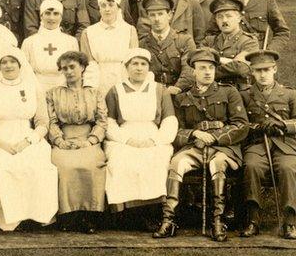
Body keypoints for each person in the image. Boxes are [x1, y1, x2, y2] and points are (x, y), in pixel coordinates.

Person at [154, 47, 249, 241]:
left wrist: (215, 138)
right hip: (195, 147)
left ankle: (218, 220)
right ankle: (169, 220)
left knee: (218, 164)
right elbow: (175, 129)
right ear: (194, 71)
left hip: (223, 148)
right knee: (176, 163)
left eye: (211, 68)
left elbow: (241, 125)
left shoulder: (228, 92)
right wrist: (194, 133)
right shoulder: (183, 97)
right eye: (202, 68)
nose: (207, 72)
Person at [0, 49, 58, 231]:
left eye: (12, 61)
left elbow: (42, 121)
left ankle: (34, 216)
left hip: (28, 136)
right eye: (4, 62)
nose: (8, 65)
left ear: (20, 65)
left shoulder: (33, 87)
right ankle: (7, 218)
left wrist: (29, 140)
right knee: (1, 165)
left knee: (36, 165)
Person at [103, 48, 177, 223]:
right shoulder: (115, 90)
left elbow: (170, 120)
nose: (139, 68)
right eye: (134, 64)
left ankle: (150, 212)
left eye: (143, 64)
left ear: (148, 68)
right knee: (121, 161)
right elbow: (109, 122)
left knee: (155, 161)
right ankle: (127, 214)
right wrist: (127, 140)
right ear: (127, 67)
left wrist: (155, 140)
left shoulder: (160, 90)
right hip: (123, 137)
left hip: (153, 136)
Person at [46, 50, 108, 234]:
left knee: (91, 164)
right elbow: (51, 121)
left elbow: (102, 121)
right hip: (64, 139)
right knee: (63, 166)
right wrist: (59, 140)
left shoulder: (95, 93)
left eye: (72, 67)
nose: (69, 71)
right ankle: (67, 216)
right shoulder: (53, 94)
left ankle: (89, 216)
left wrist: (91, 140)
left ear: (82, 67)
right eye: (64, 68)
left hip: (88, 139)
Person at [238, 50, 296, 239]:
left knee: (289, 168)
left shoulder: (289, 94)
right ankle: (253, 220)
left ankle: (290, 222)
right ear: (252, 72)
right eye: (258, 70)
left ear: (274, 69)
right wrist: (256, 127)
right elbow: (239, 122)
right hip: (257, 145)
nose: (262, 74)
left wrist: (282, 124)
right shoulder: (245, 95)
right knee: (251, 166)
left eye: (266, 70)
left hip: (284, 144)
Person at [80, 0, 139, 97]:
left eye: (111, 5)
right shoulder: (88, 32)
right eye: (103, 5)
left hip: (123, 77)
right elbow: (90, 63)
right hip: (99, 78)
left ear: (118, 8)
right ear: (99, 9)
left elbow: (133, 60)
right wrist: (91, 86)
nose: (107, 9)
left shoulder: (129, 30)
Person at [21, 0, 80, 97]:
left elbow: (75, 69)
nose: (51, 18)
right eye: (47, 13)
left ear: (61, 17)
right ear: (41, 16)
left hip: (64, 87)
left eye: (56, 14)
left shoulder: (70, 41)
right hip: (37, 88)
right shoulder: (29, 42)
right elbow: (24, 71)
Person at [139, 0, 196, 92]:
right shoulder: (142, 44)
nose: (157, 19)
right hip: (151, 93)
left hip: (180, 93)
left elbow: (189, 69)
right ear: (148, 17)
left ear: (169, 15)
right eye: (152, 15)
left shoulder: (184, 40)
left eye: (160, 14)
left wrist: (177, 87)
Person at [199, 0, 259, 86]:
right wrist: (229, 61)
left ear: (239, 18)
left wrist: (215, 61)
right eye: (220, 17)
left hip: (238, 92)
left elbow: (240, 69)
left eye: (228, 16)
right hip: (211, 91)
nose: (224, 20)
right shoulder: (208, 42)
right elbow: (199, 65)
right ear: (216, 20)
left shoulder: (249, 42)